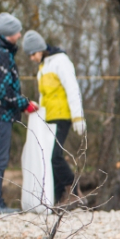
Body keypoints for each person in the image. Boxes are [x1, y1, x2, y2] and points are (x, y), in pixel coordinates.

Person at [0, 12, 36, 214]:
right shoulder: (0, 54)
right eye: (17, 32)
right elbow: (5, 92)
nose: (20, 35)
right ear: (8, 34)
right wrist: (25, 104)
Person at [22, 30, 86, 204]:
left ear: (41, 49)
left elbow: (72, 88)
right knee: (49, 158)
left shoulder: (61, 62)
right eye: (29, 55)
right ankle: (60, 198)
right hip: (49, 118)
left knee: (55, 156)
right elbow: (45, 96)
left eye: (33, 54)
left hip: (62, 116)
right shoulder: (43, 67)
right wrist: (38, 110)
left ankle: (73, 190)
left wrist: (78, 117)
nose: (32, 58)